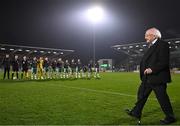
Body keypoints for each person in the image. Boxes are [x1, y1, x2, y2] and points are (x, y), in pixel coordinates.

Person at [125, 28, 176, 125]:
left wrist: (152, 69)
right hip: (147, 78)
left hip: (157, 78)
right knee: (141, 95)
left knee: (162, 98)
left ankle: (170, 117)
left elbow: (164, 62)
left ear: (154, 36)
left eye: (147, 35)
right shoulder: (151, 46)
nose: (145, 37)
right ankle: (136, 112)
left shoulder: (163, 45)